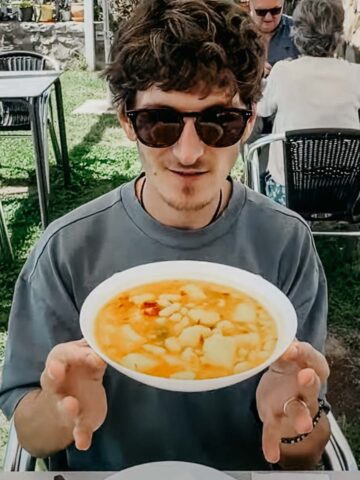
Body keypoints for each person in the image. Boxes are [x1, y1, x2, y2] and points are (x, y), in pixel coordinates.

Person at [0, 0, 330, 472]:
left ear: (249, 123)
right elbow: (30, 435)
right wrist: (60, 412)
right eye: (160, 122)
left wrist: (293, 418)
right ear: (126, 121)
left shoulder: (287, 244)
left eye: (219, 122)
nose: (190, 151)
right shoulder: (67, 251)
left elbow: (304, 449)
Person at [256, 0, 360, 206]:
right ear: (338, 34)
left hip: (288, 194)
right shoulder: (356, 75)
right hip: (345, 193)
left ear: (298, 31)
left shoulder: (283, 72)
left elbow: (262, 108)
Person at [249, 0, 299, 76]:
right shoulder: (234, 32)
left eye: (275, 11)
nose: (268, 18)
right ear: (250, 5)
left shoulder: (300, 31)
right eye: (261, 12)